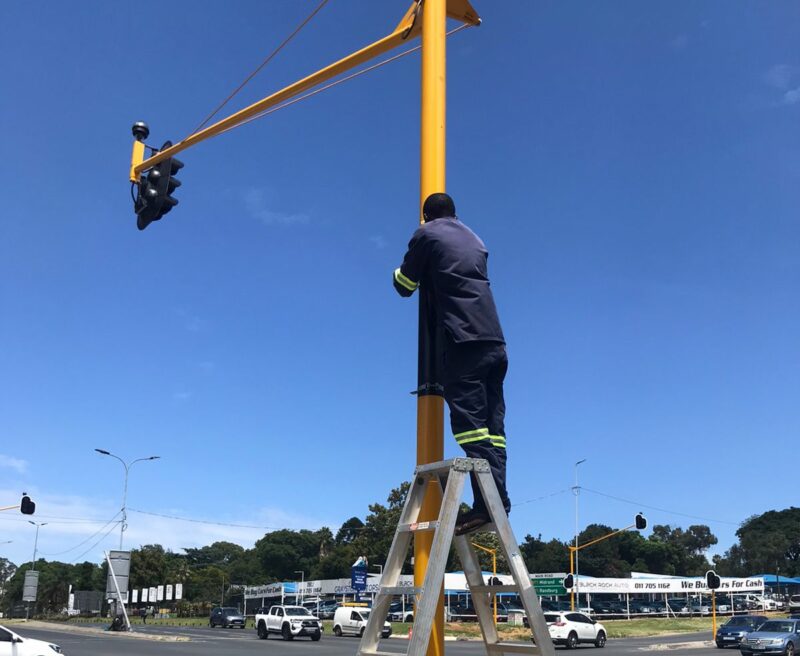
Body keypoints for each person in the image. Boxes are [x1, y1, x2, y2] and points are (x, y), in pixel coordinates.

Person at [393, 192, 510, 535]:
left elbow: (404, 284)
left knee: (470, 427)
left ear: (426, 216)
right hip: (494, 341)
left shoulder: (428, 233)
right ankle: (497, 503)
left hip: (463, 341)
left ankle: (487, 507)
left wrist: (399, 271)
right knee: (493, 431)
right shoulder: (475, 239)